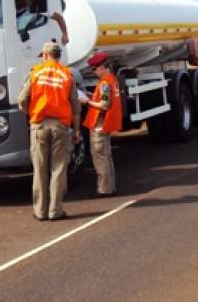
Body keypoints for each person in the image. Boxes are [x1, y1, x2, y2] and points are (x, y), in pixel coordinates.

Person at [18, 42, 81, 220]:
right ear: (58, 55)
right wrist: (76, 130)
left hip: (38, 126)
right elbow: (75, 106)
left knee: (40, 169)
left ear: (45, 55)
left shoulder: (35, 73)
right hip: (61, 126)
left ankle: (40, 211)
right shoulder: (68, 75)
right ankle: (55, 210)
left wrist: (31, 112)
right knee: (58, 168)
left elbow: (22, 99)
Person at [83, 51, 122, 197]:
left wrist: (87, 102)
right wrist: (90, 95)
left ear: (102, 67)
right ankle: (111, 187)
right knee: (107, 156)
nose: (94, 72)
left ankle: (104, 190)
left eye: (95, 69)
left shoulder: (105, 83)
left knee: (100, 158)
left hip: (99, 126)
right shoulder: (111, 79)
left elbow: (104, 105)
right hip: (105, 124)